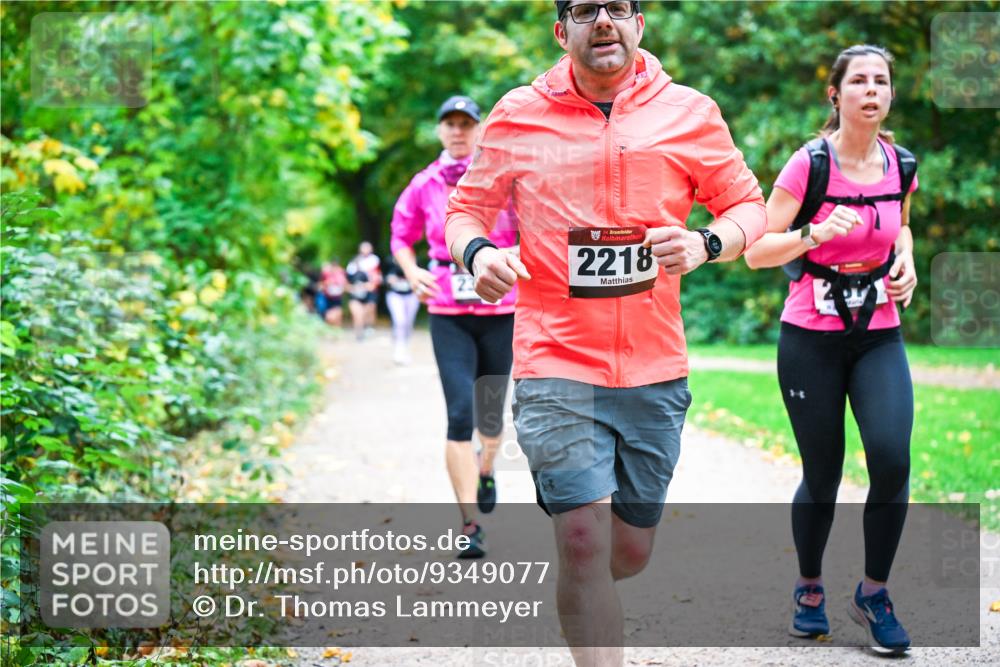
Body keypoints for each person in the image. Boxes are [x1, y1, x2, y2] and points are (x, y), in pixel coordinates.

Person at [445, 2, 766, 662]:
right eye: (586, 10)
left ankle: (581, 588)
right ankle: (582, 586)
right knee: (585, 539)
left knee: (628, 551)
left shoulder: (690, 112)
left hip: (654, 367)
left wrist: (709, 242)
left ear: (639, 24)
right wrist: (480, 255)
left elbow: (747, 207)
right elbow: (466, 213)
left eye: (617, 7)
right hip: (554, 360)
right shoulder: (516, 114)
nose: (603, 21)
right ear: (562, 31)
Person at [744, 44, 918, 654]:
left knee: (892, 460)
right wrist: (813, 233)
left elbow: (902, 224)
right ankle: (810, 588)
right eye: (860, 81)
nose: (872, 90)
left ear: (890, 95)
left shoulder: (902, 163)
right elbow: (757, 250)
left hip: (878, 333)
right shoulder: (808, 166)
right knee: (822, 472)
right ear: (836, 95)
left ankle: (873, 594)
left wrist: (907, 263)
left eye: (882, 81)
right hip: (810, 341)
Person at [391, 95, 519, 558]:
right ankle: (469, 523)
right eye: (450, 124)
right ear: (440, 131)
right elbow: (399, 236)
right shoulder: (424, 183)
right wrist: (410, 271)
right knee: (460, 414)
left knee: (490, 415)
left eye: (467, 123)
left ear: (480, 129)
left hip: (500, 310)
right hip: (448, 310)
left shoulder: (502, 178)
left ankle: (487, 469)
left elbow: (532, 230)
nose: (459, 131)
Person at [383, 258, 419, 364]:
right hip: (395, 295)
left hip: (411, 296)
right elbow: (382, 278)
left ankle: (406, 345)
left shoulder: (415, 262)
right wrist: (389, 280)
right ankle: (399, 348)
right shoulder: (389, 263)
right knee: (400, 321)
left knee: (408, 323)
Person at [345, 241, 381, 341]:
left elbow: (376, 279)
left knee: (369, 310)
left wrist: (369, 285)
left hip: (369, 293)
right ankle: (359, 334)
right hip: (355, 294)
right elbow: (346, 280)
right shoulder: (353, 263)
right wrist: (351, 288)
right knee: (358, 314)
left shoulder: (374, 261)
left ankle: (368, 327)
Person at [317, 260, 347, 328]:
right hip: (328, 297)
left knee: (338, 314)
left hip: (337, 298)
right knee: (329, 317)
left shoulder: (341, 273)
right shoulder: (326, 274)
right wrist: (326, 284)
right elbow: (320, 285)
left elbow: (345, 285)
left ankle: (337, 330)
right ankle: (331, 329)